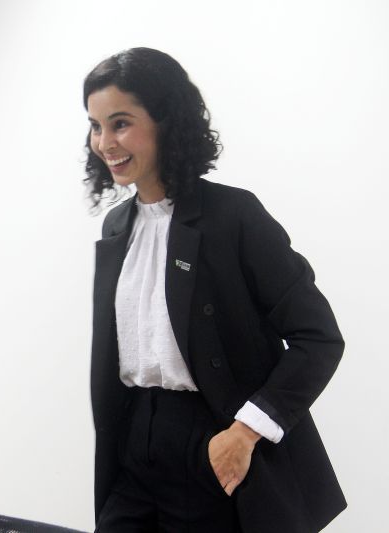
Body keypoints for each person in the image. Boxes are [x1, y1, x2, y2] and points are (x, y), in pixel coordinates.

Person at [84, 48, 345, 532]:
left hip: (210, 436)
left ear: (166, 121)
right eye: (96, 126)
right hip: (135, 441)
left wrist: (246, 432)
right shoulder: (116, 227)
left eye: (120, 123)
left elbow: (318, 338)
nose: (104, 142)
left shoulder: (234, 216)